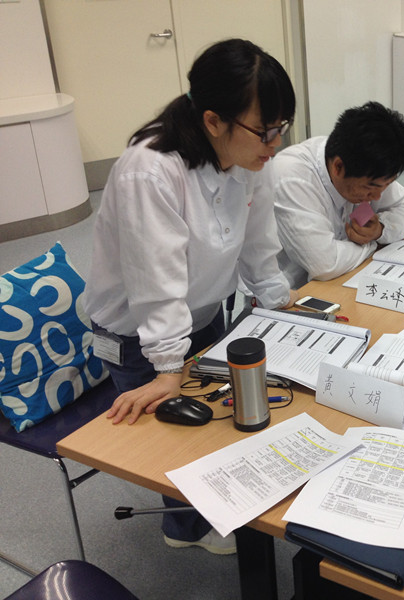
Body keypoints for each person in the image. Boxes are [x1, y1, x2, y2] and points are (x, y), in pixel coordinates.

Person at [84, 38, 298, 553]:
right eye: (265, 130)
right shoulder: (150, 170)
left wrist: (279, 301)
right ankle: (185, 529)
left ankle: (213, 510)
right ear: (213, 121)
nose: (274, 143)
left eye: (281, 128)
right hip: (138, 331)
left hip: (202, 311)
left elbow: (257, 241)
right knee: (173, 436)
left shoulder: (251, 157)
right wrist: (165, 366)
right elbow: (153, 280)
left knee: (219, 415)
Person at [270, 101, 404, 288]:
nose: (377, 196)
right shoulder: (293, 176)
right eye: (370, 187)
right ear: (338, 167)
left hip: (348, 275)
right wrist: (373, 244)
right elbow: (324, 264)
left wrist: (380, 229)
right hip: (291, 292)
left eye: (386, 185)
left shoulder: (365, 163)